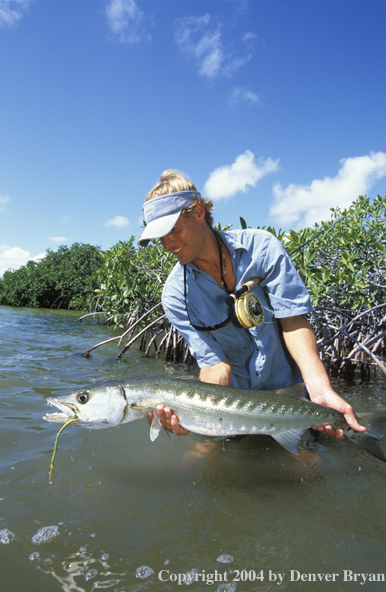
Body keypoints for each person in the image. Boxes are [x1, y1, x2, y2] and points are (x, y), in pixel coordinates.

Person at [138, 169, 365, 440]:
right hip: (231, 412)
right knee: (204, 469)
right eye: (159, 237)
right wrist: (191, 413)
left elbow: (293, 321)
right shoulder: (175, 296)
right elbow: (215, 364)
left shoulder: (262, 248)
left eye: (172, 229)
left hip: (289, 397)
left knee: (309, 468)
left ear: (198, 211)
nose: (166, 244)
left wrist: (320, 390)